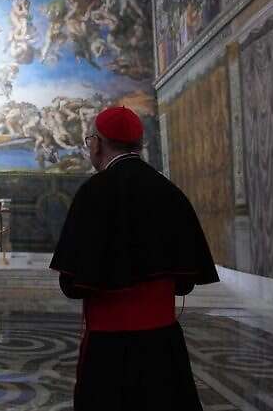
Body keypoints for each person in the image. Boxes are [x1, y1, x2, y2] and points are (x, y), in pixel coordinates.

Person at [50, 106, 218, 411]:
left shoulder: (94, 192)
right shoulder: (169, 191)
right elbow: (185, 283)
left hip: (108, 347)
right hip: (162, 344)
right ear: (139, 144)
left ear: (97, 144)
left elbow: (72, 285)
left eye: (90, 140)